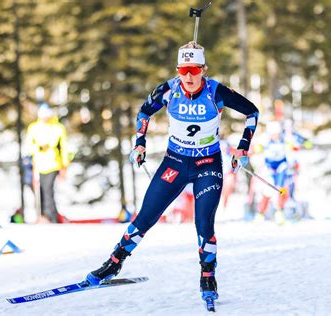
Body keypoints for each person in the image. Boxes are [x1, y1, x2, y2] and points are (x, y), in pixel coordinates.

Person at [85, 41, 259, 303]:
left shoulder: (216, 91)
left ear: (204, 69)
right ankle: (113, 263)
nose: (188, 76)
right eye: (183, 69)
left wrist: (243, 147)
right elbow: (144, 112)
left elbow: (252, 112)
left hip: (207, 166)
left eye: (194, 69)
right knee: (145, 217)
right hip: (175, 163)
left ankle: (208, 276)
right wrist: (139, 143)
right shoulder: (168, 90)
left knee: (203, 224)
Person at [25, 103, 69, 223]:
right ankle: (43, 215)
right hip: (38, 165)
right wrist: (39, 147)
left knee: (48, 190)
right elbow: (29, 147)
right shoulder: (33, 128)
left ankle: (51, 217)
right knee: (40, 191)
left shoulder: (58, 128)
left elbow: (63, 147)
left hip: (53, 164)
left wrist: (64, 165)